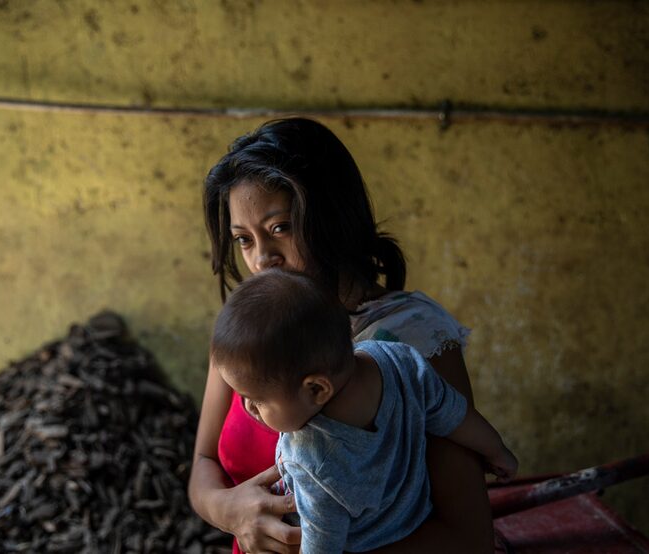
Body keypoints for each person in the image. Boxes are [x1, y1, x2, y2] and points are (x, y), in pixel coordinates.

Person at [189, 117, 496, 553]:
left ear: (331, 217)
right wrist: (229, 510)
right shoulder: (251, 332)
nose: (262, 259)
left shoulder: (413, 338)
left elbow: (467, 539)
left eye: (280, 228)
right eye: (244, 239)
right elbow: (203, 464)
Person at [209, 269, 518, 554]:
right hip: (413, 525)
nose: (248, 407)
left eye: (257, 399)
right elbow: (453, 413)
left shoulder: (312, 459)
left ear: (317, 389)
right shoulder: (398, 359)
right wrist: (497, 450)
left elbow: (321, 545)